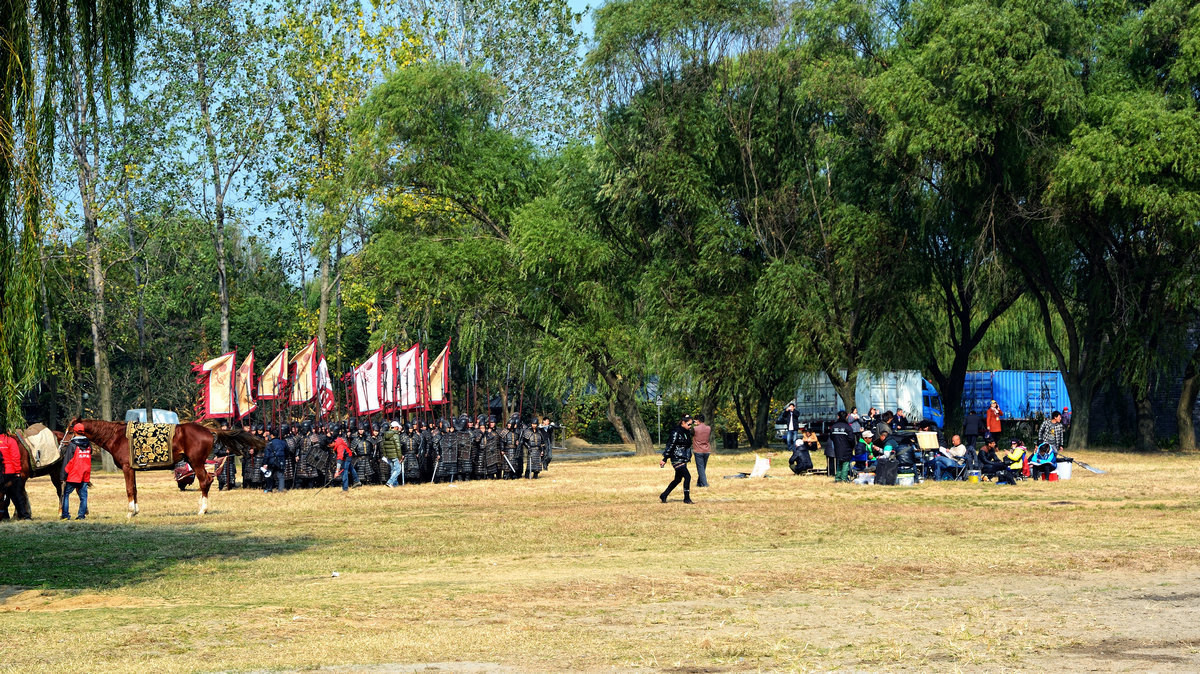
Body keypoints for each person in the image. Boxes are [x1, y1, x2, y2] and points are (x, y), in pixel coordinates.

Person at [59, 423, 92, 520]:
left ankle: (65, 515)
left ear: (74, 431)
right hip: (85, 475)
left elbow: (67, 461)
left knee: (66, 494)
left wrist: (63, 476)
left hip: (73, 475)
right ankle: (81, 516)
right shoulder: (88, 444)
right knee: (83, 496)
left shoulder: (72, 445)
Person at [659, 414, 694, 504]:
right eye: (689, 424)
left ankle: (664, 495)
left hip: (683, 458)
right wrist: (665, 458)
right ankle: (686, 498)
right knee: (687, 476)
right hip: (676, 458)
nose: (690, 426)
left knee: (678, 479)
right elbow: (670, 445)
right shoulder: (676, 432)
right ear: (683, 423)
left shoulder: (686, 432)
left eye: (691, 424)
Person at [0, 427, 31, 521]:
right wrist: (17, 472)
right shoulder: (10, 441)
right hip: (11, 472)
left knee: (1, 495)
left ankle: (4, 515)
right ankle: (24, 515)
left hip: (0, 473)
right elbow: (15, 457)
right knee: (17, 495)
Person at [829, 411, 855, 482]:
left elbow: (831, 437)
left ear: (838, 417)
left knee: (839, 462)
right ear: (846, 417)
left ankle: (837, 478)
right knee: (845, 463)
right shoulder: (847, 427)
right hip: (846, 448)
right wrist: (852, 446)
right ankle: (843, 479)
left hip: (837, 448)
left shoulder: (833, 427)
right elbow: (851, 439)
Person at [262, 429, 288, 493]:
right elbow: (287, 451)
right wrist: (284, 458)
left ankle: (269, 489)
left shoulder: (269, 444)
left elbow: (266, 455)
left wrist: (265, 463)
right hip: (281, 461)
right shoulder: (283, 442)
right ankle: (281, 490)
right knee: (281, 476)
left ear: (272, 435)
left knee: (269, 475)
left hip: (271, 461)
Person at [690, 414, 712, 488]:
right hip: (707, 450)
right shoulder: (708, 428)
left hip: (698, 450)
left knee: (700, 468)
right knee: (703, 468)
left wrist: (692, 424)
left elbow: (690, 433)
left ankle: (705, 484)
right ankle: (699, 483)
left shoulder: (695, 429)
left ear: (698, 421)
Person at [382, 421, 403, 487]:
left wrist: (386, 455)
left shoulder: (386, 434)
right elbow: (398, 447)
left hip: (389, 455)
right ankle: (390, 482)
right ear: (396, 427)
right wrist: (400, 457)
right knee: (398, 469)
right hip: (395, 455)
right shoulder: (395, 435)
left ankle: (395, 484)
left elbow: (384, 446)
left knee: (393, 469)